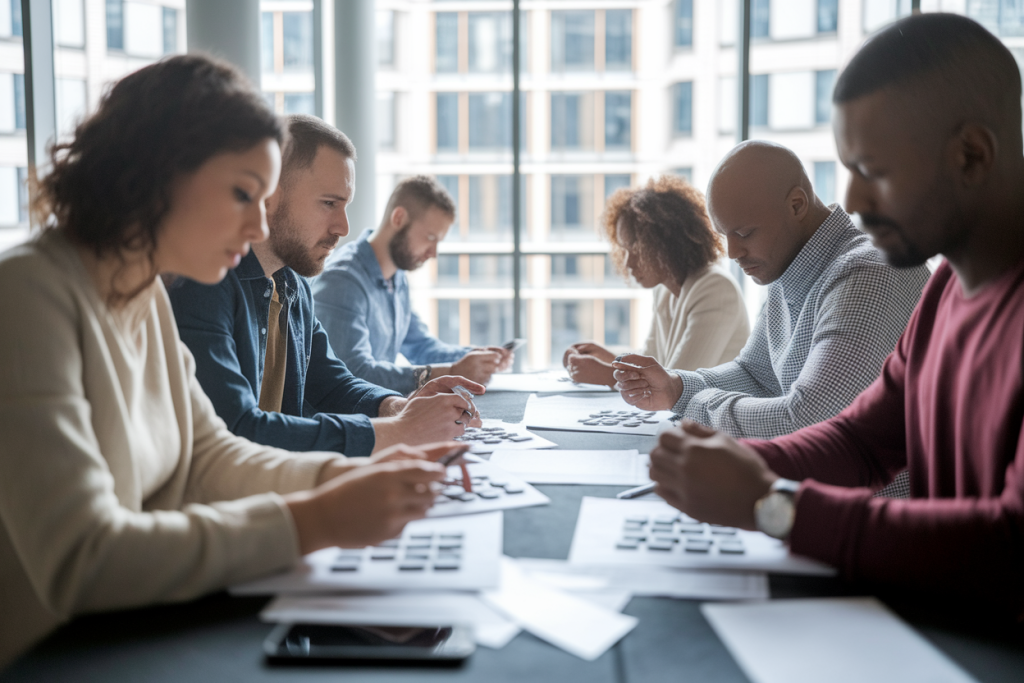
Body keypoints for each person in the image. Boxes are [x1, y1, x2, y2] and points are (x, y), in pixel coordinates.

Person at [0, 55, 452, 667]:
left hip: (142, 631)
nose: (257, 219)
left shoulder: (145, 293)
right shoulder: (27, 292)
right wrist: (313, 519)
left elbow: (207, 457)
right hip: (62, 657)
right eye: (243, 192)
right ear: (157, 171)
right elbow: (82, 559)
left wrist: (337, 479)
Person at [647, 13, 1024, 612]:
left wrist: (771, 506)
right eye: (849, 170)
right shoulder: (948, 286)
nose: (849, 202)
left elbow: (1009, 548)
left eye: (873, 172)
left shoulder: (898, 275)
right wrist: (732, 467)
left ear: (972, 155)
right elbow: (863, 441)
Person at [612, 142, 931, 497]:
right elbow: (755, 374)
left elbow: (808, 421)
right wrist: (677, 387)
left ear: (796, 205)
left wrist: (696, 404)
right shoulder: (789, 265)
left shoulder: (868, 274)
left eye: (745, 233)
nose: (732, 253)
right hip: (818, 503)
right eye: (724, 235)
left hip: (875, 526)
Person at [168, 117, 482, 459]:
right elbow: (238, 429)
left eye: (345, 206)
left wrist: (397, 407)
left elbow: (333, 384)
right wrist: (397, 431)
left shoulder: (292, 285)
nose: (344, 227)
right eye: (329, 204)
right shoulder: (202, 285)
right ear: (270, 195)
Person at [312, 175, 512, 393]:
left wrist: (477, 357)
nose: (433, 253)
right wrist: (451, 372)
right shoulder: (343, 281)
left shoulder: (396, 277)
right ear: (398, 218)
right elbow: (355, 374)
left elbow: (422, 347)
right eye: (430, 237)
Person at [562, 175, 749, 387]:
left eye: (637, 249)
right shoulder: (665, 290)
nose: (628, 262)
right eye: (624, 250)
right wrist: (608, 358)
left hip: (713, 419)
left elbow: (677, 385)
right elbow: (653, 359)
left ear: (666, 244)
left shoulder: (715, 289)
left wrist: (606, 375)